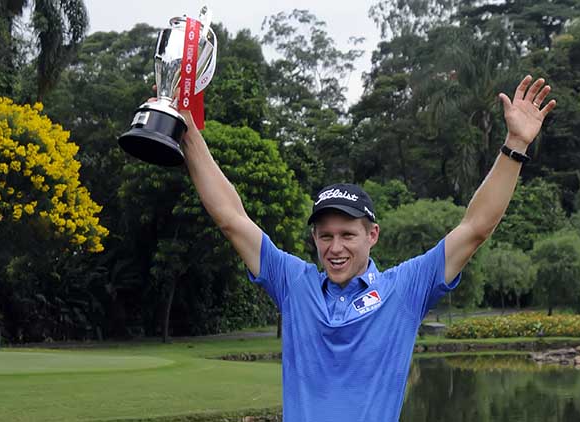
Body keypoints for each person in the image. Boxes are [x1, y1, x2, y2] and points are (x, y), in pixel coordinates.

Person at [179, 75, 556, 421]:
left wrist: (516, 144)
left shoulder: (405, 288)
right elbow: (232, 218)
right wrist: (188, 131)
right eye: (325, 236)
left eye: (347, 234)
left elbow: (475, 228)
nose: (335, 247)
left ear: (372, 234)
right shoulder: (293, 283)